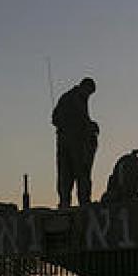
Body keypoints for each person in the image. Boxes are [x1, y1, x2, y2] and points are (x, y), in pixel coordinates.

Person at [52, 77, 99, 207]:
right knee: (80, 174)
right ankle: (82, 204)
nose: (88, 96)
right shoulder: (76, 99)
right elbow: (57, 119)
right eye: (89, 92)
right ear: (85, 87)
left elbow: (55, 118)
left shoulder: (67, 97)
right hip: (75, 144)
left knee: (65, 176)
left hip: (65, 142)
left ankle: (65, 204)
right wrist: (88, 127)